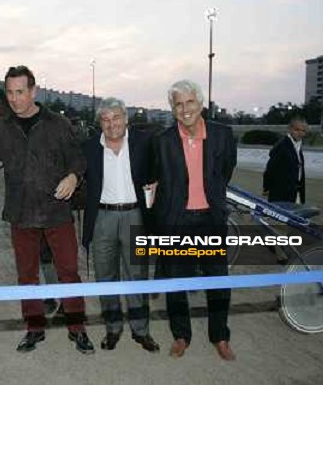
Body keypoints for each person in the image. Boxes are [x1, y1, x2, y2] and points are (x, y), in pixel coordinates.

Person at [0, 65, 94, 354]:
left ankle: (77, 329)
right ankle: (34, 329)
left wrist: (73, 177)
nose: (14, 98)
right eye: (9, 92)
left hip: (56, 213)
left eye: (20, 92)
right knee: (27, 276)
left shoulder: (58, 124)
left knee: (69, 272)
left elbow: (78, 159)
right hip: (20, 214)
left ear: (33, 91)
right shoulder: (2, 128)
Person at [152, 80, 237, 361]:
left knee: (218, 281)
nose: (185, 109)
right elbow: (158, 181)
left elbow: (225, 171)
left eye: (190, 102)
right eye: (178, 103)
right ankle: (181, 335)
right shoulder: (163, 141)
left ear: (200, 104)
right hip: (178, 222)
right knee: (176, 283)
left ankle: (220, 336)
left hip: (211, 220)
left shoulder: (223, 135)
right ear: (172, 108)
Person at [82, 97, 159, 352]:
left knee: (137, 275)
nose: (111, 123)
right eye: (105, 119)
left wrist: (157, 183)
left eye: (116, 117)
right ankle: (113, 329)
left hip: (134, 216)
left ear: (126, 119)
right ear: (100, 123)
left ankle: (141, 330)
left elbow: (159, 169)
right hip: (102, 218)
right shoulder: (90, 146)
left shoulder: (144, 143)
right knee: (106, 277)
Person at [263, 116, 307, 204]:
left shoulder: (297, 146)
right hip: (282, 195)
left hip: (295, 194)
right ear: (290, 129)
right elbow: (270, 169)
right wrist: (266, 188)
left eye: (303, 131)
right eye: (297, 130)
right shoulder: (282, 146)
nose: (300, 133)